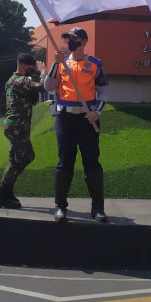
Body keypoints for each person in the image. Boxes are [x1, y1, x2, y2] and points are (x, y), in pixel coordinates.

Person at [43, 27, 109, 223]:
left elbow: (104, 92)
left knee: (92, 163)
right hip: (65, 118)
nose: (69, 42)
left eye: (74, 39)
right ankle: (60, 207)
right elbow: (48, 87)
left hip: (88, 118)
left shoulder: (95, 64)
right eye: (68, 39)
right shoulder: (61, 62)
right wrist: (55, 64)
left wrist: (97, 112)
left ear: (84, 41)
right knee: (64, 162)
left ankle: (98, 208)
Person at [0, 54, 46, 209]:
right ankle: (2, 192)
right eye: (31, 67)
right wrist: (44, 72)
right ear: (23, 64)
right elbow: (42, 87)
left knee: (24, 157)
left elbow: (30, 96)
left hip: (16, 126)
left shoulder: (11, 81)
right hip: (17, 126)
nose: (33, 70)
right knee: (19, 159)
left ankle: (6, 191)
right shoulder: (20, 80)